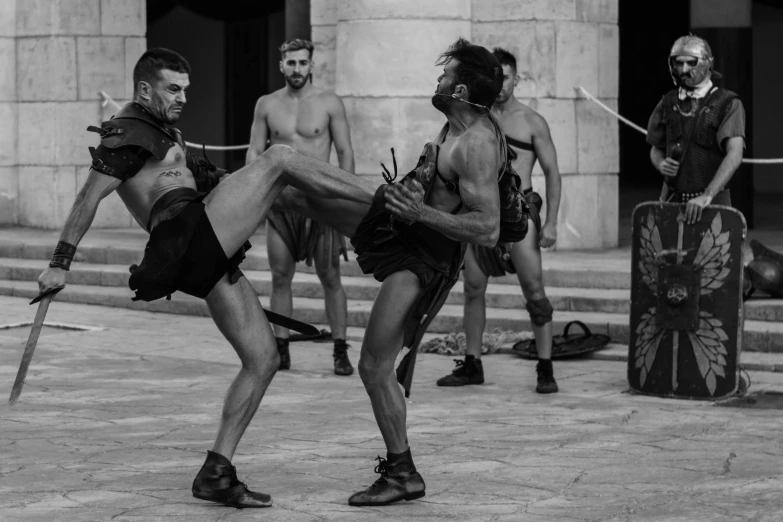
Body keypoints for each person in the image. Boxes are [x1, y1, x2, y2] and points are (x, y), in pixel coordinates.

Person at [36, 47, 382, 510]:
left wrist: (263, 191)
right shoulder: (126, 133)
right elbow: (87, 199)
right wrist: (61, 261)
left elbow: (210, 180)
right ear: (144, 89)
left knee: (262, 358)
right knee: (280, 157)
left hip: (205, 246)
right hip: (190, 234)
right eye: (172, 88)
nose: (182, 97)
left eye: (185, 89)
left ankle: (216, 471)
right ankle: (390, 197)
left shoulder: (162, 130)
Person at [274, 38, 510, 506]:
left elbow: (487, 228)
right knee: (295, 194)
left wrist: (421, 213)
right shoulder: (455, 128)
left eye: (444, 76)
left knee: (373, 365)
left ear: (459, 89)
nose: (437, 81)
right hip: (401, 232)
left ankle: (403, 472)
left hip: (421, 260)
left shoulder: (476, 143)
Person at [436, 47, 562, 394]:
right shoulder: (472, 119)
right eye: (496, 77)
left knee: (534, 291)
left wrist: (550, 223)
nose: (501, 84)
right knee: (473, 288)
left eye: (506, 76)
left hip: (520, 211)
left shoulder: (531, 121)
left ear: (515, 78)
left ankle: (545, 366)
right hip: (480, 212)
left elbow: (552, 172)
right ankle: (472, 363)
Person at [246, 39, 356, 376]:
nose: (296, 69)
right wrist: (254, 194)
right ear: (282, 66)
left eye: (302, 63)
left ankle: (340, 349)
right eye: (290, 63)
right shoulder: (266, 104)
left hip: (321, 202)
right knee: (280, 276)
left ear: (311, 65)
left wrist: (343, 201)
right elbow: (254, 152)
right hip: (282, 203)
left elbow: (345, 152)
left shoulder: (329, 103)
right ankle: (281, 349)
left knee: (330, 276)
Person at [646, 35, 745, 225]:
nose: (684, 70)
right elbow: (655, 148)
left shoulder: (727, 103)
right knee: (669, 254)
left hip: (712, 203)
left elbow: (735, 155)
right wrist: (660, 164)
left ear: (707, 63)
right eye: (678, 63)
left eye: (691, 63)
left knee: (713, 254)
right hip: (672, 201)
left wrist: (707, 196)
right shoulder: (668, 102)